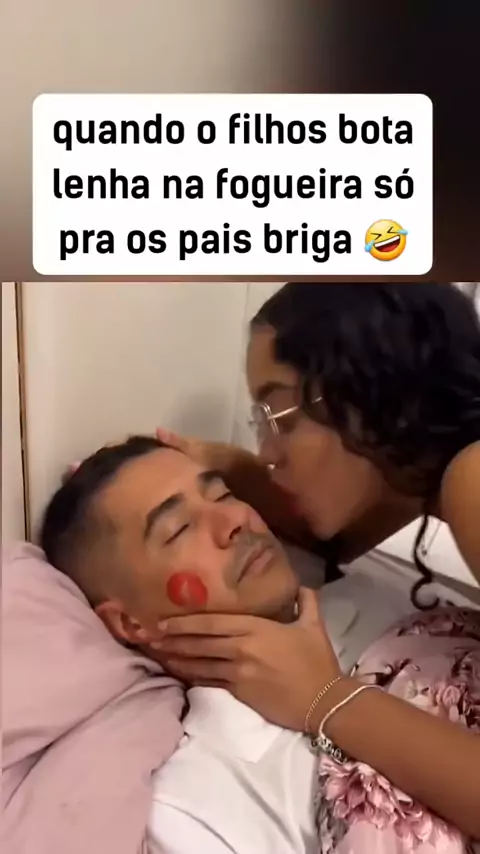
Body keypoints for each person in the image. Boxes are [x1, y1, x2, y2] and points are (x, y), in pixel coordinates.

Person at [149, 282, 480, 844]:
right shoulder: (426, 478)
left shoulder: (473, 478)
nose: (267, 453)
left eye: (280, 416)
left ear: (371, 392)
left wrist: (325, 698)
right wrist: (231, 473)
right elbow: (337, 534)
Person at [40, 435, 420, 854]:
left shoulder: (372, 594)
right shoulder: (196, 808)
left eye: (223, 494)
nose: (235, 519)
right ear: (130, 622)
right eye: (178, 529)